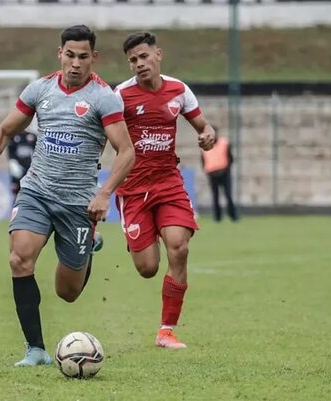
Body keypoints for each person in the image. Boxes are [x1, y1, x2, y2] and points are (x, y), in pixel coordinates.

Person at [0, 25, 135, 367]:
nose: (75, 63)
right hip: (37, 191)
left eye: (83, 57)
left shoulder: (103, 97)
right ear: (60, 53)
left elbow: (126, 152)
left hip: (79, 202)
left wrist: (104, 194)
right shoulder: (40, 89)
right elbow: (4, 130)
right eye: (70, 55)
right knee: (19, 259)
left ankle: (87, 243)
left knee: (68, 292)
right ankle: (35, 349)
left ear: (94, 58)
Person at [114, 32, 215, 349]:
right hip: (133, 189)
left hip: (168, 183)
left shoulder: (179, 90)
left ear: (158, 54)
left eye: (144, 56)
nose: (139, 64)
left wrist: (208, 135)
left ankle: (166, 331)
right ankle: (142, 232)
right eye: (133, 60)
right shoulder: (121, 96)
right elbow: (107, 138)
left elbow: (204, 126)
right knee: (147, 268)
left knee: (179, 248)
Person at [201, 127, 239, 222]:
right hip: (212, 173)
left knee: (228, 195)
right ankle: (217, 217)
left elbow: (230, 157)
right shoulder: (204, 146)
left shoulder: (224, 143)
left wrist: (227, 168)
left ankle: (233, 215)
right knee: (215, 196)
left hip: (224, 172)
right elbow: (203, 160)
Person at [7, 130, 37, 199]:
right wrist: (14, 164)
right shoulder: (13, 137)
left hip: (31, 170)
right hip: (18, 170)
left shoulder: (32, 136)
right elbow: (11, 154)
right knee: (17, 192)